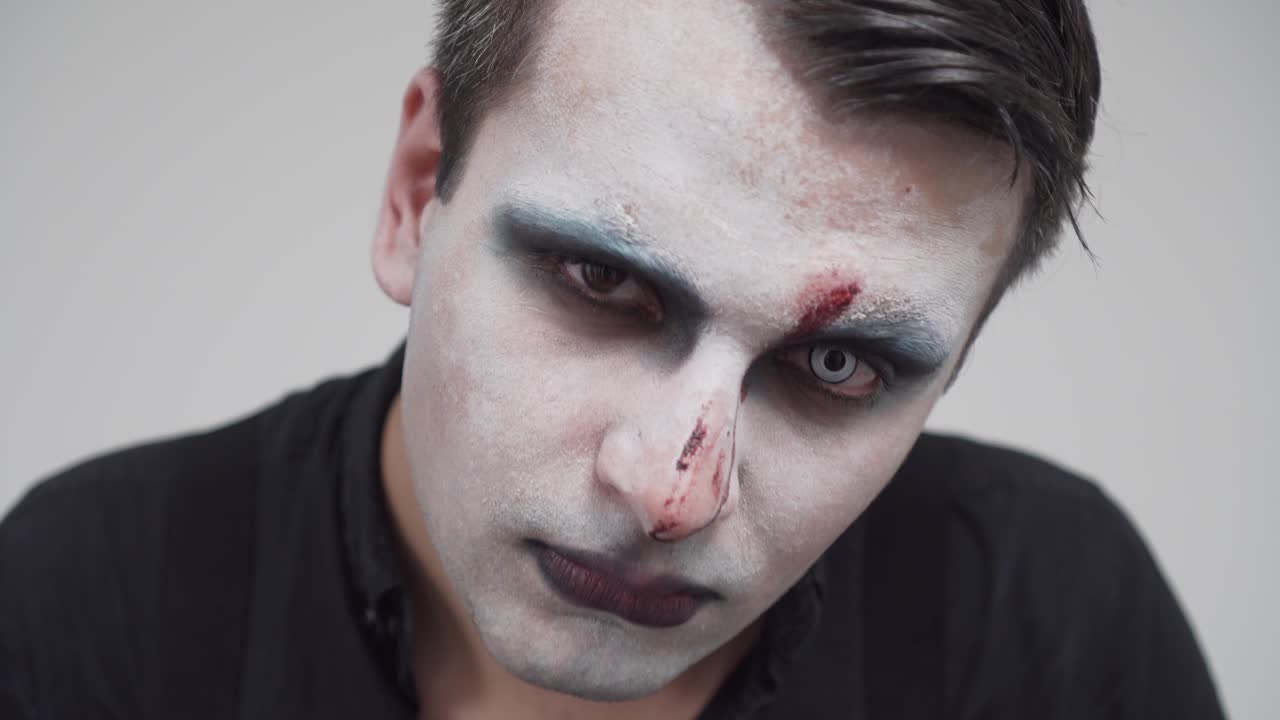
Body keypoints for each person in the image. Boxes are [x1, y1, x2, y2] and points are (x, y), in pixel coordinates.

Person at [0, 0, 1226, 718]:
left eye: (840, 365)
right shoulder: (92, 604)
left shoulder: (1051, 633)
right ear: (416, 193)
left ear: (952, 365)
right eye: (602, 282)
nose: (671, 490)